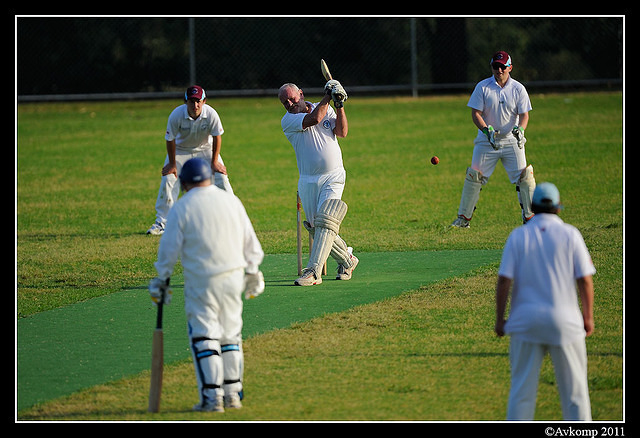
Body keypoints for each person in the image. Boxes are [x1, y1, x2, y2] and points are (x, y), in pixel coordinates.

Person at [148, 157, 265, 412]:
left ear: (186, 184)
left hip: (202, 280)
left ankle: (212, 399)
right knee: (230, 334)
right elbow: (251, 243)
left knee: (205, 335)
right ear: (209, 179)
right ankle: (232, 395)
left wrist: (161, 278)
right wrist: (253, 271)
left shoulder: (182, 207)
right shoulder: (231, 201)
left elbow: (168, 250)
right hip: (234, 277)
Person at [495, 182, 595, 421]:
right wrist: (588, 316)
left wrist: (500, 320)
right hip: (566, 322)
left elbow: (504, 281)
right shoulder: (571, 234)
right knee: (575, 394)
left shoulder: (519, 236)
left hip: (525, 322)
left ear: (533, 206)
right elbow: (585, 280)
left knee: (522, 393)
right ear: (558, 208)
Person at [278, 81, 358, 286]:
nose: (289, 103)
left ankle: (313, 272)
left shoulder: (326, 108)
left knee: (326, 219)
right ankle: (347, 261)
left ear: (302, 94)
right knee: (316, 227)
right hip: (307, 180)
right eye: (284, 101)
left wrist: (339, 106)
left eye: (292, 98)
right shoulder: (288, 120)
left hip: (333, 175)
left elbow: (342, 132)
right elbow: (314, 119)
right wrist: (328, 96)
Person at [451, 51, 535, 228]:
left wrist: (520, 130)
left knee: (525, 177)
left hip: (512, 140)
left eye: (502, 67)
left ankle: (530, 218)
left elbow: (524, 115)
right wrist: (485, 130)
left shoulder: (518, 88)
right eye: (495, 66)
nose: (499, 70)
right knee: (474, 176)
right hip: (487, 140)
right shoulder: (483, 87)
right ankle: (463, 220)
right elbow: (475, 113)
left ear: (510, 67)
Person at [147, 85, 234, 235]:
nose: (195, 105)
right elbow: (170, 139)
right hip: (181, 151)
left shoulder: (211, 114)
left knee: (221, 177)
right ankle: (163, 223)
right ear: (185, 101)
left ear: (204, 101)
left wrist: (214, 162)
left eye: (198, 101)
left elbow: (217, 137)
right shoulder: (176, 115)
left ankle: (232, 218)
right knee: (168, 179)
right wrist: (172, 164)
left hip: (206, 149)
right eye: (192, 101)